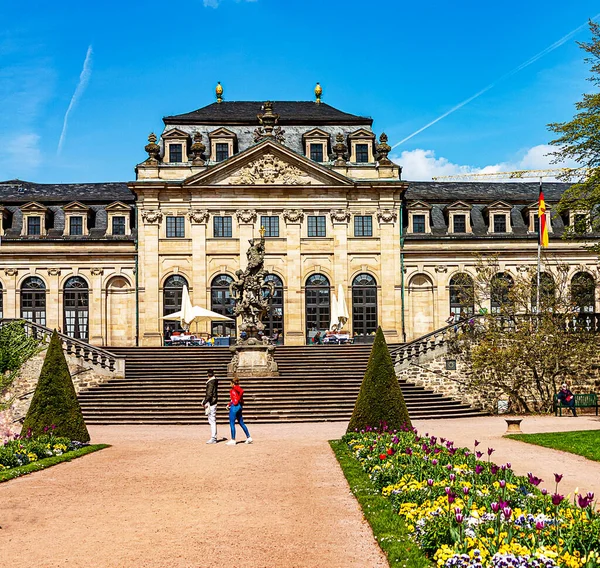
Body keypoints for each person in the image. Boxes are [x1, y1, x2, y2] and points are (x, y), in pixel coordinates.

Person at [225, 377, 252, 445]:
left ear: (233, 383)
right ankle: (248, 437)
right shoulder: (236, 388)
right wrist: (229, 404)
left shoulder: (235, 388)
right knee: (241, 422)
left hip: (235, 406)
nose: (230, 384)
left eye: (230, 383)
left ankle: (233, 439)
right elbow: (235, 398)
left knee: (232, 423)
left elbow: (241, 392)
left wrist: (236, 401)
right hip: (239, 405)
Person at [202, 369, 219, 443]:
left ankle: (213, 437)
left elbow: (209, 394)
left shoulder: (210, 383)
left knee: (212, 420)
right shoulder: (214, 381)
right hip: (213, 401)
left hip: (211, 402)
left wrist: (204, 402)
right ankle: (213, 437)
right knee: (212, 419)